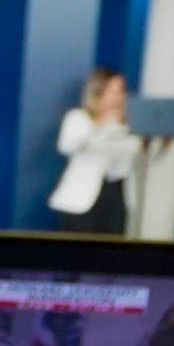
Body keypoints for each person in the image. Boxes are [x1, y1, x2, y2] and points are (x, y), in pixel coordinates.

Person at [48, 67, 141, 237]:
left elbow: (131, 154)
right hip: (82, 201)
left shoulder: (128, 126)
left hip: (116, 197)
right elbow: (67, 146)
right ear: (98, 93)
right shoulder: (78, 118)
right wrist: (101, 124)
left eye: (121, 91)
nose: (118, 97)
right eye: (112, 91)